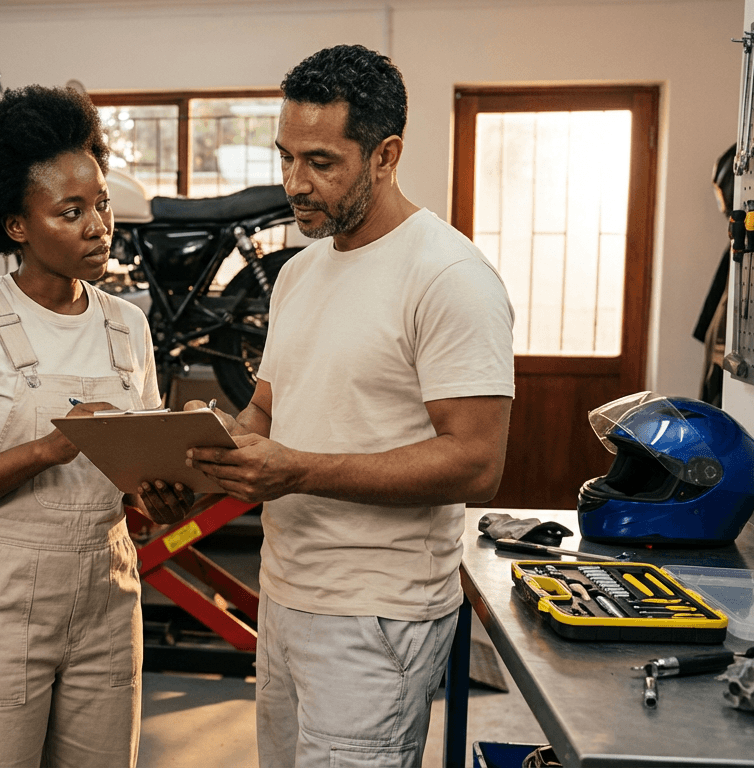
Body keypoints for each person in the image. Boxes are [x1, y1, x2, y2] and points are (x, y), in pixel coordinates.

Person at [183, 45, 515, 767]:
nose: (295, 184)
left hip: (378, 615)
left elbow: (475, 463)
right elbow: (266, 416)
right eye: (286, 157)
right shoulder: (300, 273)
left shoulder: (450, 276)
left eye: (321, 163)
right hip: (285, 591)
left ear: (385, 154)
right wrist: (199, 464)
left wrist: (296, 471)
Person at [0, 85, 185, 768]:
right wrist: (50, 448)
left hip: (108, 601)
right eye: (71, 211)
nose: (98, 226)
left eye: (101, 205)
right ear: (18, 225)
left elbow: (132, 484)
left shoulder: (129, 327)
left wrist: (164, 492)